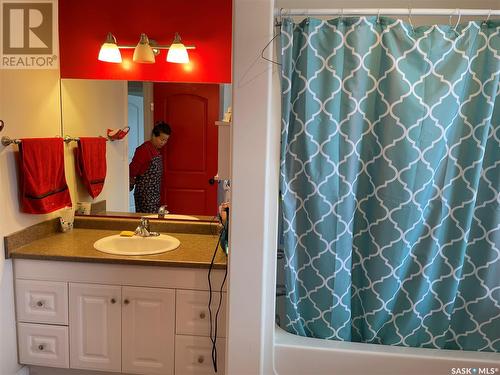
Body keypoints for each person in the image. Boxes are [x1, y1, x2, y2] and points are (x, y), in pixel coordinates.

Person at [129, 121, 171, 213]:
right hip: (145, 195)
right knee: (148, 220)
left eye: (166, 140)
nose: (163, 143)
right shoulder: (143, 150)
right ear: (153, 135)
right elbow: (132, 170)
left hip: (155, 194)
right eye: (161, 139)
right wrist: (130, 184)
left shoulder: (156, 150)